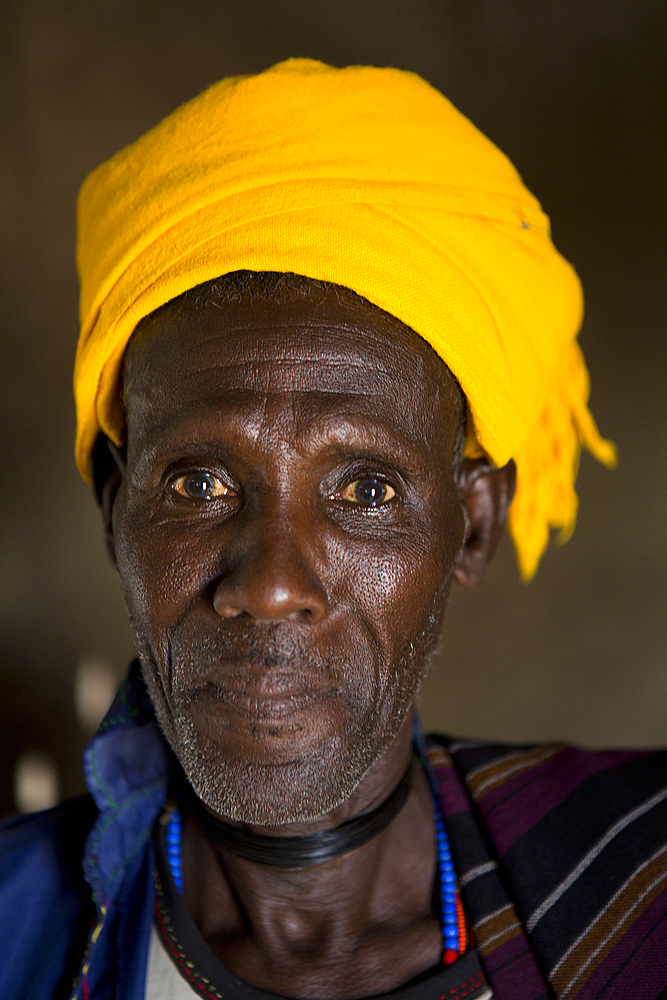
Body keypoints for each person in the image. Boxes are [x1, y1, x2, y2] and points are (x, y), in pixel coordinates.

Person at [1, 58, 666, 1000]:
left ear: (471, 526)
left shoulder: (635, 879)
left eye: (367, 492)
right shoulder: (14, 929)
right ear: (116, 507)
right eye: (197, 482)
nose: (270, 583)